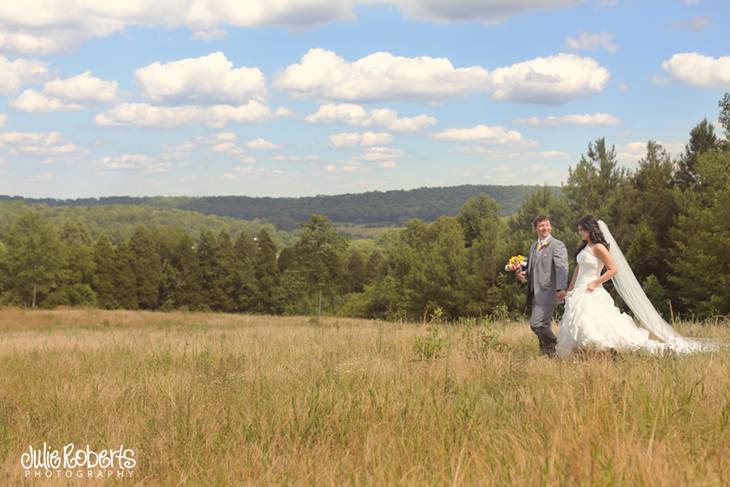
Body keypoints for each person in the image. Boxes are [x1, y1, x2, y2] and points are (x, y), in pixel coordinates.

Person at [555, 215, 718, 357]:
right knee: (579, 322)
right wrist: (569, 289)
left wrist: (595, 282)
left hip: (592, 289)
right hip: (579, 290)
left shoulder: (599, 248)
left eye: (581, 229)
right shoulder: (585, 247)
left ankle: (617, 351)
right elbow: (578, 269)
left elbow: (613, 269)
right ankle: (586, 353)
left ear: (590, 229)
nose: (579, 232)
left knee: (596, 323)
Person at [517, 215, 568, 357]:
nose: (544, 228)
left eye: (546, 225)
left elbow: (561, 268)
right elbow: (532, 269)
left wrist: (560, 289)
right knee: (543, 325)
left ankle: (558, 347)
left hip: (549, 292)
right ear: (536, 229)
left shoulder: (557, 245)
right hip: (534, 294)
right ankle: (548, 354)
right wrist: (524, 274)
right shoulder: (533, 246)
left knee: (536, 324)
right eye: (541, 225)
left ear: (551, 227)